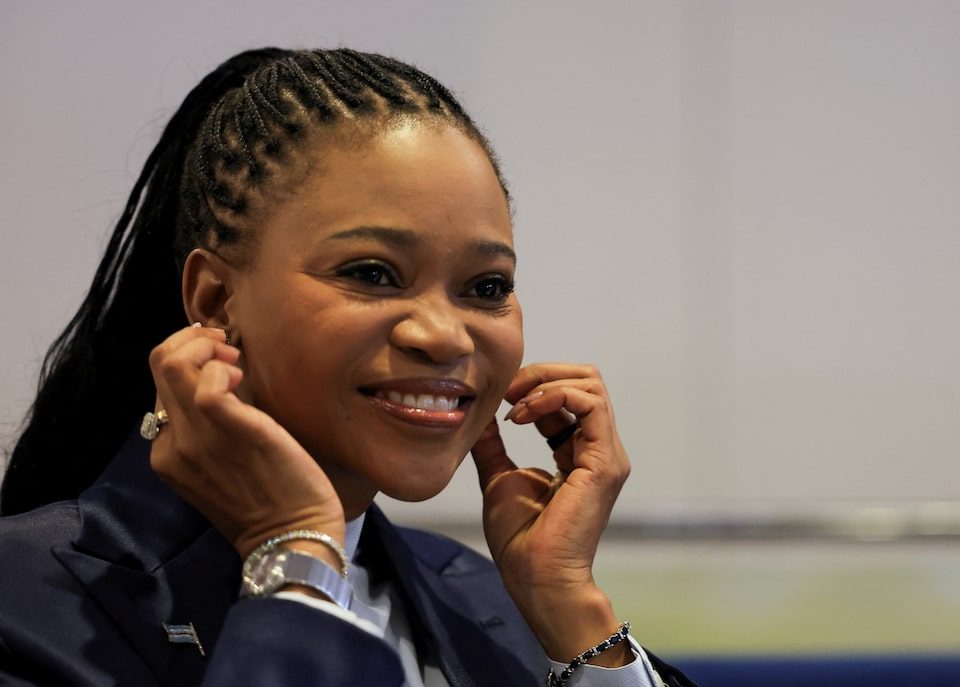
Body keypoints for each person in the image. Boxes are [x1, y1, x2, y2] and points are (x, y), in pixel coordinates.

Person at [0, 47, 694, 687]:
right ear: (214, 298)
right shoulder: (23, 599)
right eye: (373, 272)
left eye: (486, 287)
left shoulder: (491, 597)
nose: (444, 335)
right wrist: (295, 560)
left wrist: (571, 611)